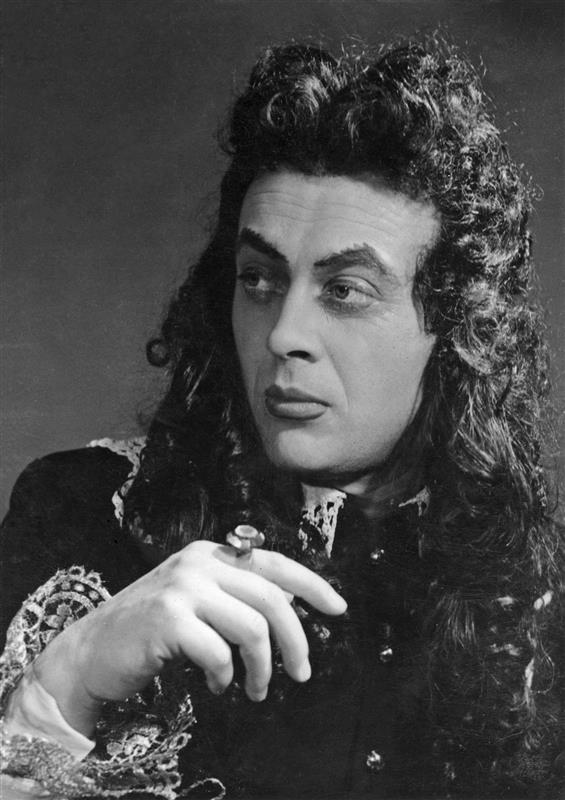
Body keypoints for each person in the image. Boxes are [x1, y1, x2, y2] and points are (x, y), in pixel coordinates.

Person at [0, 34, 563, 800]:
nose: (283, 334)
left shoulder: (541, 600)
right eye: (259, 279)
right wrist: (64, 680)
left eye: (345, 291)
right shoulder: (79, 507)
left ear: (458, 329)